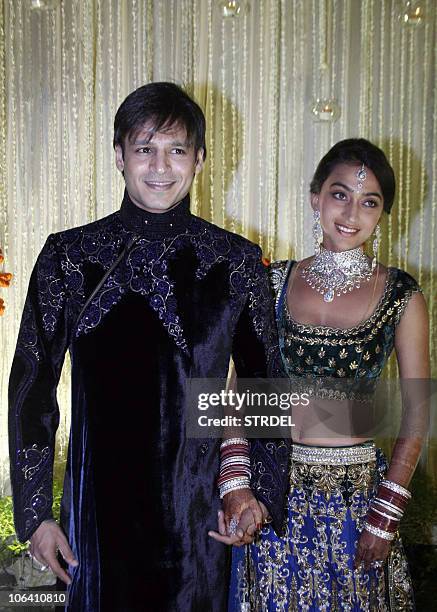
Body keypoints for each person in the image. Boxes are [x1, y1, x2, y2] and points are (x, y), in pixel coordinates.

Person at [8, 82, 285, 611]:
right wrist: (38, 513)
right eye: (144, 149)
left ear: (199, 159)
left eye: (177, 150)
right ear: (119, 156)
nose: (161, 166)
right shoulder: (69, 257)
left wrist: (256, 495)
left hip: (201, 521)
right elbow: (32, 388)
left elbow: (263, 386)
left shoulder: (236, 261)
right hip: (99, 520)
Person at [222, 139, 429, 610]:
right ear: (315, 196)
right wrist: (237, 486)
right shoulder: (273, 283)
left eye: (369, 201)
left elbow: (417, 413)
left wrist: (387, 512)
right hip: (274, 493)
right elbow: (239, 395)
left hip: (357, 500)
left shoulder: (401, 295)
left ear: (382, 213)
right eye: (340, 194)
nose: (352, 212)